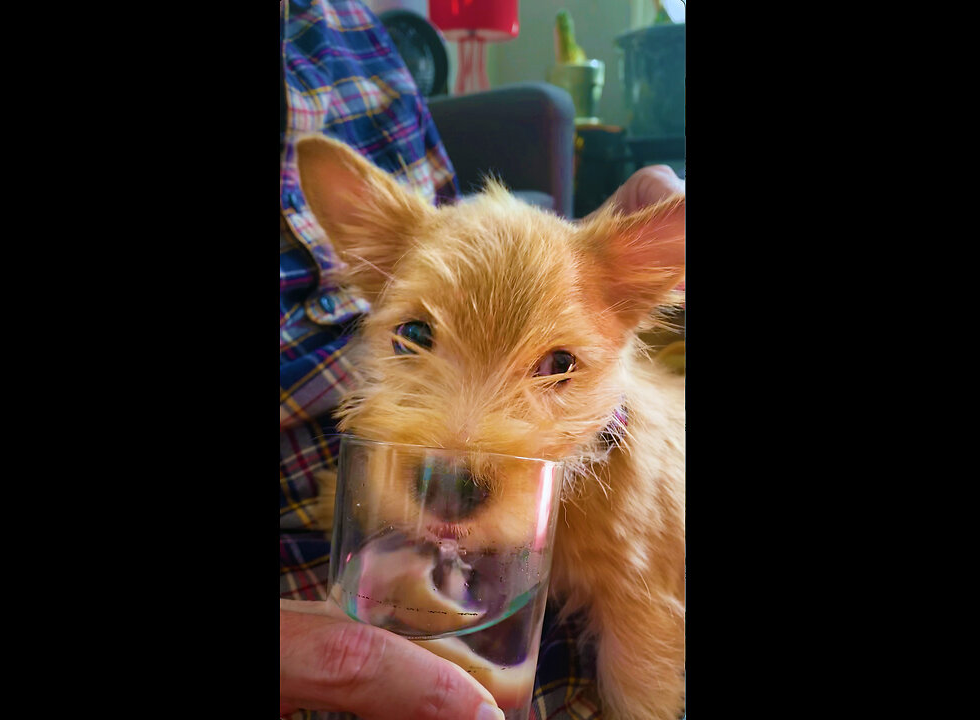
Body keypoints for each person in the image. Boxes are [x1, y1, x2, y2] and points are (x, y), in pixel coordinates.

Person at [279, 2, 684, 718]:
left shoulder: (351, 26)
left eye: (557, 363)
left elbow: (645, 622)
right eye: (415, 338)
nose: (460, 448)